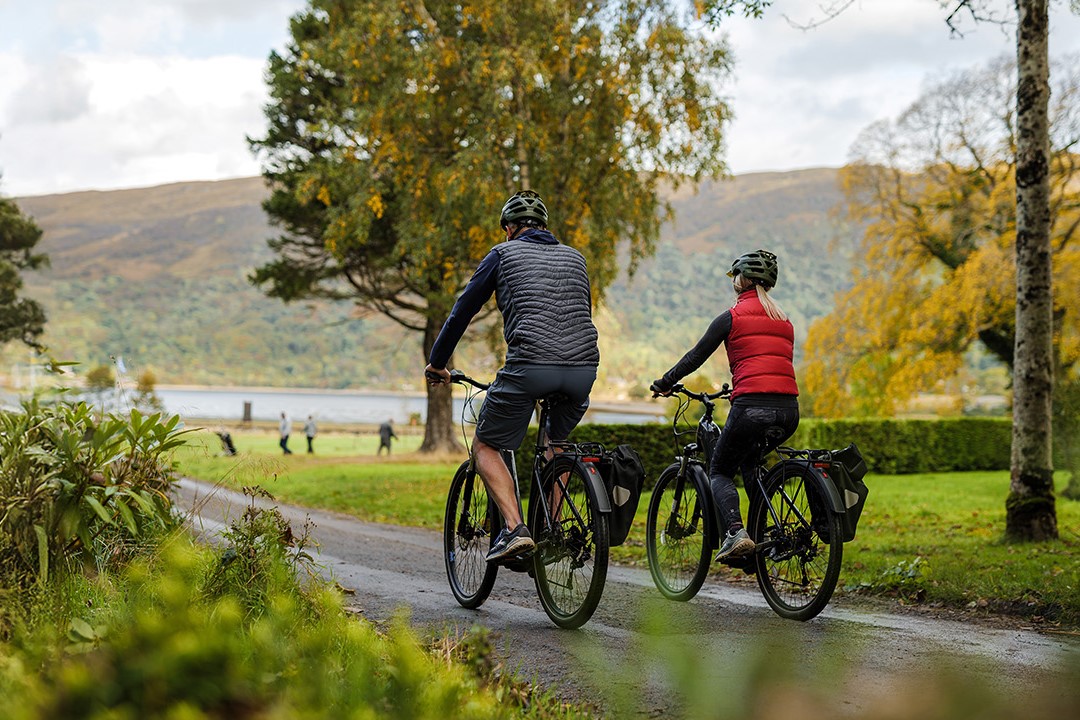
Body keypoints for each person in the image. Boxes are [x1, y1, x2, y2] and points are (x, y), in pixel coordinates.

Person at [425, 190, 600, 563]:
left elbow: (461, 312)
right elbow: (580, 313)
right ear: (544, 227)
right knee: (557, 445)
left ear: (509, 229)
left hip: (530, 367)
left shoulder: (502, 254)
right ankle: (551, 529)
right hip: (583, 370)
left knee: (485, 445)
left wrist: (437, 362)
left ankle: (515, 529)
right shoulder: (576, 258)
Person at [651, 249, 799, 562]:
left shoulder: (731, 318)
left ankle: (735, 532)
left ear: (740, 280)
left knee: (719, 470)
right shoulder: (784, 321)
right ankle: (763, 538)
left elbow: (694, 357)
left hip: (750, 408)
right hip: (788, 411)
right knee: (751, 464)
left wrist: (664, 383)